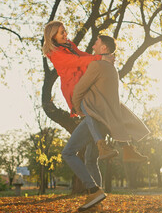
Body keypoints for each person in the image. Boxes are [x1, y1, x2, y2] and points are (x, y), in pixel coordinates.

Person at [43, 21, 118, 161]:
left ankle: (110, 146)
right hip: (74, 89)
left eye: (64, 30)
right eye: (61, 33)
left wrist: (102, 60)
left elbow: (82, 55)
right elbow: (76, 61)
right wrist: (100, 58)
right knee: (90, 112)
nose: (65, 34)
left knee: (98, 113)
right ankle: (101, 145)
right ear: (53, 36)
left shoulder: (69, 44)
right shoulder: (55, 54)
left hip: (85, 83)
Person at [72, 35, 150, 164]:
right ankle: (127, 150)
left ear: (103, 47)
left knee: (78, 154)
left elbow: (78, 90)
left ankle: (106, 148)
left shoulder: (97, 65)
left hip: (95, 112)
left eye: (96, 43)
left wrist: (77, 108)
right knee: (90, 158)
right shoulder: (113, 69)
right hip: (107, 114)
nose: (93, 46)